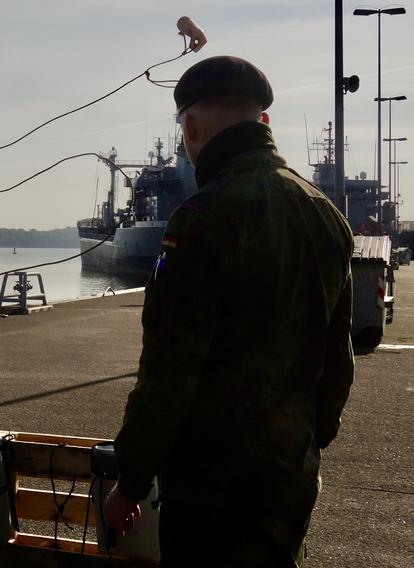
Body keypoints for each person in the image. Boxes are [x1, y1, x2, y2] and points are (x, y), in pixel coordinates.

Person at [103, 56, 355, 566]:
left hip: (212, 487)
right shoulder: (324, 214)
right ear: (264, 122)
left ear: (191, 126)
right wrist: (306, 442)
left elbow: (168, 374)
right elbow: (339, 358)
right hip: (290, 473)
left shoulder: (201, 219)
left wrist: (130, 480)